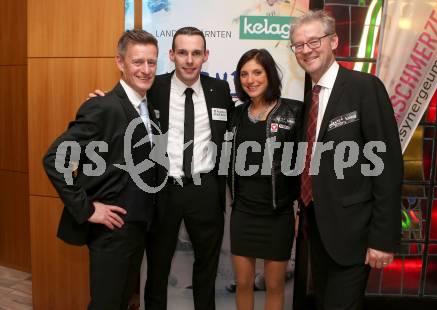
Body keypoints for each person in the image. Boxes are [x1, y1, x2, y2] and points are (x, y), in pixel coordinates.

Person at [290, 10, 403, 310]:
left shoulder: (365, 88)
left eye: (313, 41)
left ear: (334, 41)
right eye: (298, 45)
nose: (306, 50)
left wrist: (382, 239)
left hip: (354, 236)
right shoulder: (309, 97)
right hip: (318, 234)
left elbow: (387, 167)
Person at [43, 30, 160, 310]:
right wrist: (87, 209)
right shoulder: (103, 106)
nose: (145, 69)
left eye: (151, 62)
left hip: (137, 227)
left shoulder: (147, 106)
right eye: (137, 62)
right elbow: (53, 159)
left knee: (121, 302)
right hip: (112, 231)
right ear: (120, 63)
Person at [144, 27, 234, 310]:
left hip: (205, 188)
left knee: (207, 267)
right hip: (164, 189)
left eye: (196, 53)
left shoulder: (219, 90)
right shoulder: (153, 87)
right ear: (171, 55)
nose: (189, 60)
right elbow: (124, 105)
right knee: (157, 268)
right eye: (182, 52)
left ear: (206, 56)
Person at [228, 48, 302, 310]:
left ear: (269, 74)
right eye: (245, 74)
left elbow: (305, 167)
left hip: (278, 214)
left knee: (274, 287)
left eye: (257, 72)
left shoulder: (294, 112)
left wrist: (299, 212)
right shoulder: (235, 116)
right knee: (244, 284)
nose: (251, 79)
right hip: (243, 213)